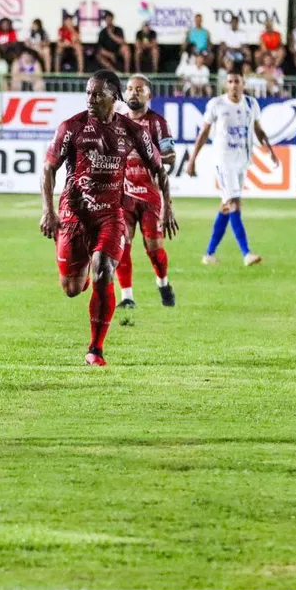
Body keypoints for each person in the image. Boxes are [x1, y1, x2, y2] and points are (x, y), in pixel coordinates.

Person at [39, 70, 177, 367]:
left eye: (98, 94)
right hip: (73, 215)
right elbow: (49, 168)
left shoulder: (133, 130)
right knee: (72, 289)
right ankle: (83, 267)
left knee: (104, 271)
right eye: (88, 93)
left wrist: (169, 207)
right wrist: (48, 210)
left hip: (110, 216)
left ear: (114, 97)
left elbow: (159, 169)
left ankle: (95, 349)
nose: (91, 99)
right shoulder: (71, 127)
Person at [185, 71, 278, 267]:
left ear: (243, 83)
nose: (234, 85)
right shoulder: (216, 104)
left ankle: (209, 254)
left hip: (242, 161)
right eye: (230, 81)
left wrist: (269, 150)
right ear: (226, 85)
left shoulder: (251, 104)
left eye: (237, 81)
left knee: (226, 207)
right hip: (223, 161)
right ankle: (246, 254)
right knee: (234, 204)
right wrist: (192, 159)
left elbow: (258, 129)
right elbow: (204, 133)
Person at [115, 75, 177, 310]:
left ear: (148, 95)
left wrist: (152, 154)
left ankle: (163, 283)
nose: (133, 93)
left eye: (139, 90)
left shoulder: (157, 123)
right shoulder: (118, 122)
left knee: (154, 247)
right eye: (129, 89)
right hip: (124, 194)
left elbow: (171, 156)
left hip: (150, 196)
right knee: (122, 243)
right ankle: (127, 297)